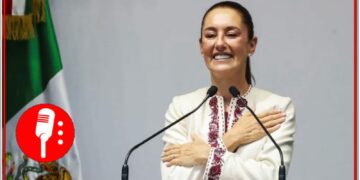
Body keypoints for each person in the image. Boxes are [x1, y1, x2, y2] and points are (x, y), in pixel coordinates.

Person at [160, 1, 295, 180]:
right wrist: (231, 138)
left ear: (251, 45)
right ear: (201, 46)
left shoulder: (275, 108)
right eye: (210, 35)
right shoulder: (182, 108)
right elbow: (173, 178)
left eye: (231, 34)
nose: (220, 43)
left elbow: (271, 176)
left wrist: (204, 154)